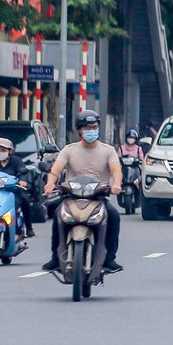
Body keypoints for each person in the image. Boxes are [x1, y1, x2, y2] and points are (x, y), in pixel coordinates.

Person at [41, 110, 123, 274]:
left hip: (99, 197)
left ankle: (109, 259)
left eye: (94, 127)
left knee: (113, 216)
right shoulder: (69, 150)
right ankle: (56, 258)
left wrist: (117, 184)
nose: (91, 130)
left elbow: (116, 169)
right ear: (79, 130)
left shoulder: (108, 150)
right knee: (58, 216)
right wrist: (50, 183)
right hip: (72, 197)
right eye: (87, 127)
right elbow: (56, 169)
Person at [0, 137, 35, 237]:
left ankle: (29, 227)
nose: (0, 152)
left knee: (25, 201)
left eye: (3, 150)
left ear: (10, 151)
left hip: (13, 192)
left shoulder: (16, 161)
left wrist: (23, 181)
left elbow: (23, 171)